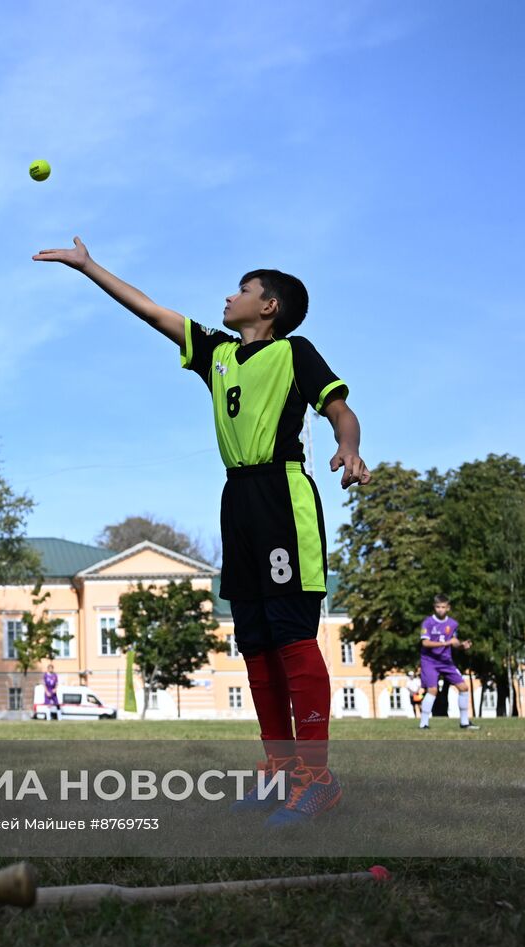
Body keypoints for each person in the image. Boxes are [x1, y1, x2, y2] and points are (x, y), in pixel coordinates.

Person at [34, 239, 370, 825]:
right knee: (256, 644)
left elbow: (339, 408)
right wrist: (89, 268)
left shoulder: (296, 352)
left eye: (242, 289)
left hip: (282, 498)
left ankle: (318, 778)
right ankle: (280, 770)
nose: (229, 295)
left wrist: (349, 446)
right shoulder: (215, 352)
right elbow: (151, 311)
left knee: (291, 637)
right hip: (236, 501)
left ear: (269, 307)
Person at [418, 595, 477, 730]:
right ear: (434, 607)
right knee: (432, 690)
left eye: (443, 607)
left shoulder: (453, 624)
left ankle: (464, 723)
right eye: (438, 607)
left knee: (463, 688)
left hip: (445, 661)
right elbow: (425, 643)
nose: (440, 610)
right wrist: (445, 643)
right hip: (429, 661)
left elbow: (454, 641)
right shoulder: (427, 623)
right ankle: (424, 724)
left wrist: (462, 646)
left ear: (448, 608)